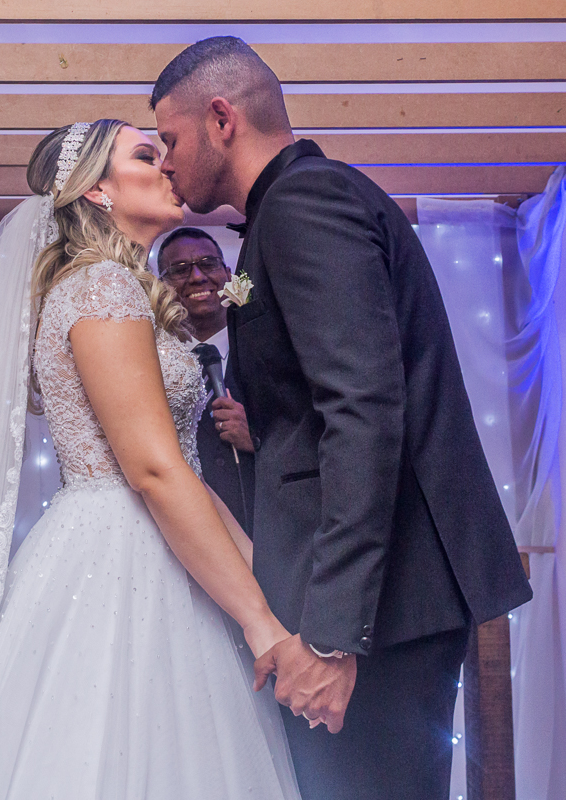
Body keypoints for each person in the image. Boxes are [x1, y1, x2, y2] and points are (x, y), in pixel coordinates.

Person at [0, 119, 303, 800]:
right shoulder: (99, 286)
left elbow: (179, 467)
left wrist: (265, 583)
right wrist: (261, 623)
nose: (167, 167)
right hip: (120, 557)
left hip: (153, 540)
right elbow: (154, 472)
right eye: (145, 155)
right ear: (99, 190)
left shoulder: (118, 288)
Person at [151, 37, 534, 800]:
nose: (163, 161)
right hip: (377, 603)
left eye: (168, 139)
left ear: (221, 117)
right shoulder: (291, 208)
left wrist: (330, 634)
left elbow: (363, 408)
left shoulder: (304, 203)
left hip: (376, 613)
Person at [157, 227, 255, 535]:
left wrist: (258, 439)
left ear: (228, 273)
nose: (197, 277)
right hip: (184, 534)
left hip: (268, 530)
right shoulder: (150, 364)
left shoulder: (268, 348)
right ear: (162, 287)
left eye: (208, 263)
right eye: (180, 270)